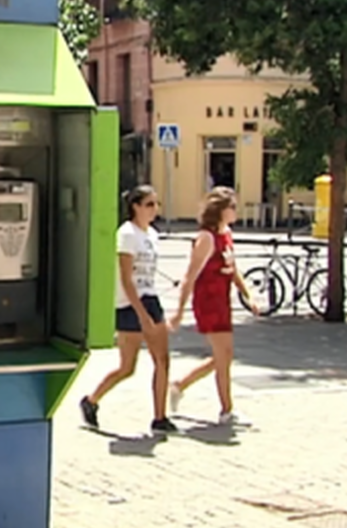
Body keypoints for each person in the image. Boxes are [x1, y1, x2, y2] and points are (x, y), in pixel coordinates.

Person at [80, 186, 177, 434]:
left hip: (151, 298)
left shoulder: (152, 234)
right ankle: (91, 400)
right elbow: (126, 278)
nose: (154, 209)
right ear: (135, 206)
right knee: (127, 367)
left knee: (163, 360)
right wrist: (141, 314)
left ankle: (160, 417)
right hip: (129, 303)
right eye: (149, 204)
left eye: (156, 204)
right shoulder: (126, 234)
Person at [168, 186, 256, 424]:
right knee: (224, 354)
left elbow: (232, 268)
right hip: (208, 300)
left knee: (223, 356)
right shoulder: (206, 238)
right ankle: (227, 410)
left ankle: (179, 385)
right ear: (220, 210)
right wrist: (178, 312)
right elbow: (190, 276)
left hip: (222, 299)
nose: (236, 211)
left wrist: (247, 294)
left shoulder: (226, 233)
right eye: (232, 207)